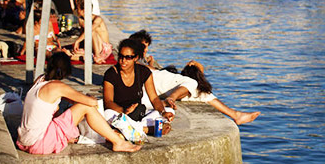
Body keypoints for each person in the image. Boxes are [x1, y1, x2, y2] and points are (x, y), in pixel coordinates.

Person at [17, 52, 141, 154]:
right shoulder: (57, 86)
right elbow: (91, 103)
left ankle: (112, 138)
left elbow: (59, 103)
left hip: (24, 140)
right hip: (39, 143)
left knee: (73, 106)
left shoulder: (40, 80)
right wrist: (87, 98)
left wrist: (78, 99)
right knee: (86, 107)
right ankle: (118, 142)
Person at [129, 30, 260, 125]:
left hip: (160, 81)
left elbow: (149, 70)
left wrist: (151, 63)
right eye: (144, 47)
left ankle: (235, 115)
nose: (145, 50)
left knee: (200, 91)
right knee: (193, 83)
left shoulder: (139, 63)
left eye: (146, 47)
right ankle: (172, 98)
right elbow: (147, 71)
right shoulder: (134, 62)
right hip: (159, 82)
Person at [103, 39, 174, 133]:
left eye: (128, 57)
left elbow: (154, 98)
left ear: (135, 58)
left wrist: (163, 112)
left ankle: (127, 129)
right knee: (108, 115)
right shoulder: (111, 74)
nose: (123, 61)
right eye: (121, 56)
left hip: (137, 113)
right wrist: (124, 111)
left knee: (169, 112)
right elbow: (108, 101)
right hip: (118, 112)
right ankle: (148, 129)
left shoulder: (144, 72)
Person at [179, 60, 260, 125]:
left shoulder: (177, 80)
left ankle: (237, 115)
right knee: (203, 94)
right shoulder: (197, 91)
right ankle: (236, 115)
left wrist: (195, 65)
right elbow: (199, 77)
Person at [71, 0, 111, 64]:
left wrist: (77, 41)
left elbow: (89, 31)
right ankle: (89, 57)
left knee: (91, 31)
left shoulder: (98, 19)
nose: (76, 10)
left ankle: (97, 56)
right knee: (70, 55)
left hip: (103, 48)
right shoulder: (81, 20)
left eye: (78, 9)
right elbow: (83, 34)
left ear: (83, 10)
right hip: (92, 47)